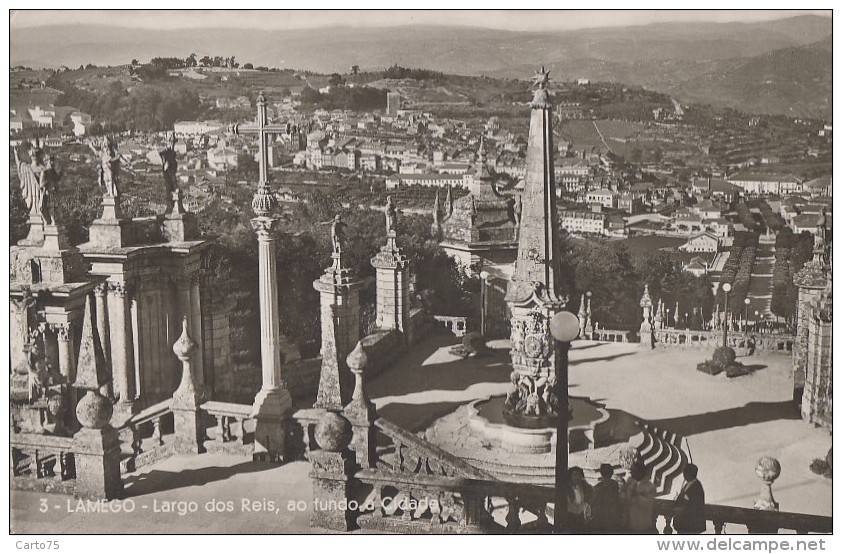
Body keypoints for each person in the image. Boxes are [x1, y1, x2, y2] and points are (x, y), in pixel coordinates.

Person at [622, 461, 657, 533]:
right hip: (627, 524)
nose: (631, 473)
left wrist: (631, 492)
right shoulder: (630, 483)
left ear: (640, 472)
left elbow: (645, 503)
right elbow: (622, 496)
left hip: (641, 526)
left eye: (633, 471)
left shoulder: (649, 486)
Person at [673, 463, 706, 534]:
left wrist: (681, 510)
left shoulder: (697, 487)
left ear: (690, 473)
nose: (683, 474)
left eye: (685, 471)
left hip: (691, 526)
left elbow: (695, 506)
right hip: (684, 525)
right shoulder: (688, 484)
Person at [590, 463, 622, 533]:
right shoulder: (615, 484)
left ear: (601, 473)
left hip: (602, 514)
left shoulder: (597, 487)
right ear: (612, 473)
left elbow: (594, 502)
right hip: (613, 512)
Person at [566, 466, 592, 533]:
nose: (577, 477)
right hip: (570, 516)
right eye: (575, 475)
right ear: (570, 476)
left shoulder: (582, 486)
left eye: (579, 475)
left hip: (580, 516)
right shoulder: (567, 488)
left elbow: (591, 491)